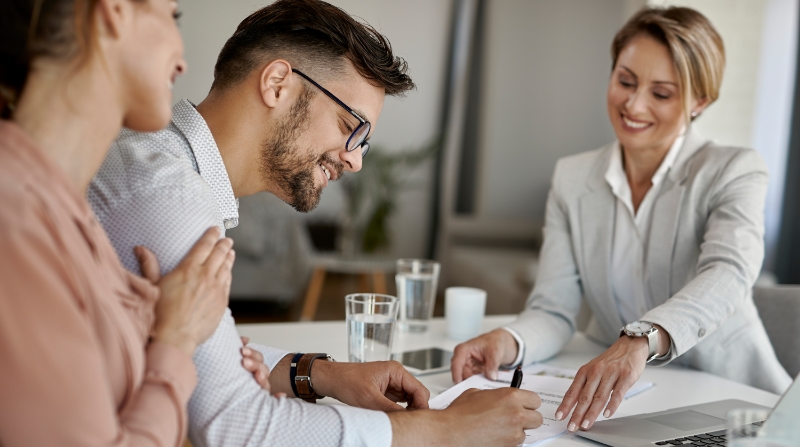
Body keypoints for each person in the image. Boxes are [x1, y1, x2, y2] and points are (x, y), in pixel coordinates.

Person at [87, 0, 543, 446]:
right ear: (278, 84)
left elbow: (209, 352)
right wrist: (445, 430)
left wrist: (319, 372)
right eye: (351, 125)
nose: (355, 160)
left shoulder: (166, 168)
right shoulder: (169, 195)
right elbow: (234, 423)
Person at [451, 5, 792, 435]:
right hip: (630, 403)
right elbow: (554, 310)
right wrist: (508, 340)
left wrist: (640, 338)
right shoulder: (573, 179)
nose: (633, 104)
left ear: (699, 101)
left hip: (734, 402)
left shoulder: (734, 170)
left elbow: (728, 272)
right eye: (625, 81)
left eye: (661, 93)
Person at [0, 0, 236, 445]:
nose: (184, 61)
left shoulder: (63, 208)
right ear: (115, 10)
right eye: (173, 15)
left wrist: (145, 323)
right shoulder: (16, 224)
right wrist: (176, 341)